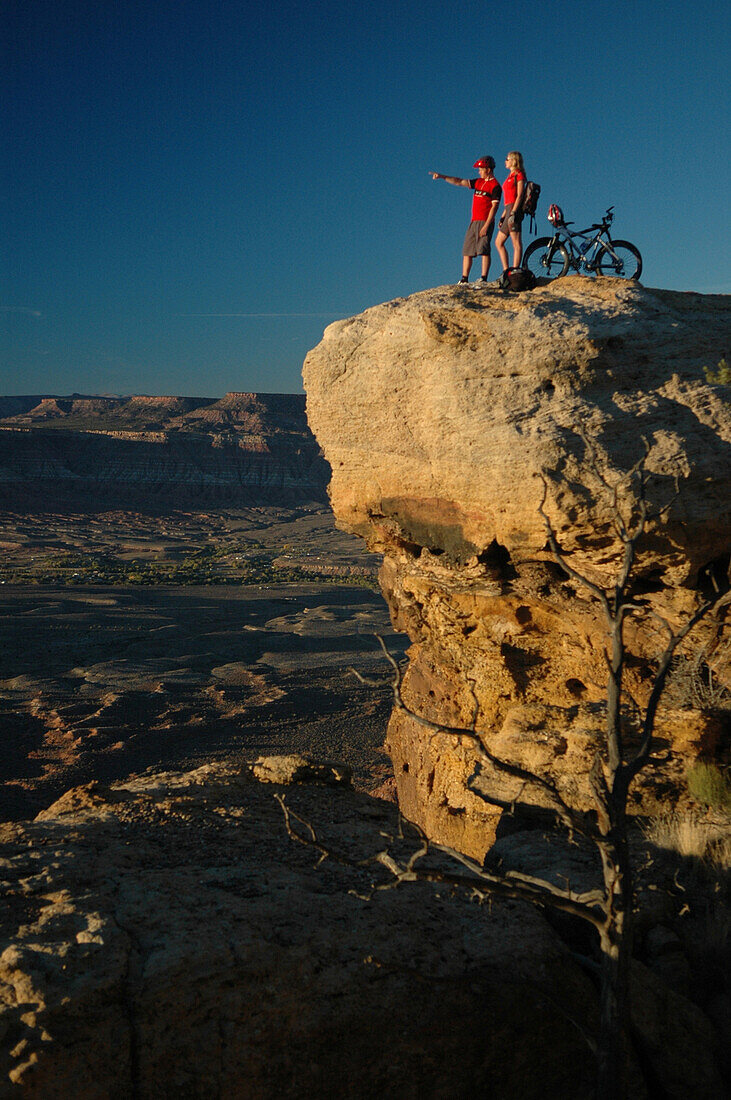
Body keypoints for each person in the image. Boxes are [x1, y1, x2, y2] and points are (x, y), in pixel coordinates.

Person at [430, 157, 502, 284]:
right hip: (474, 221)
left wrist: (486, 225)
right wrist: (442, 176)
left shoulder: (495, 186)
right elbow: (459, 181)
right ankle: (464, 278)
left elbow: (494, 207)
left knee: (483, 250)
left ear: (488, 170)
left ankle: (483, 278)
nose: (479, 171)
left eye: (481, 169)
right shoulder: (478, 182)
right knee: (467, 250)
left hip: (485, 221)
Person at [495, 151, 527, 272]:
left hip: (515, 209)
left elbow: (519, 195)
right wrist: (503, 217)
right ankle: (506, 270)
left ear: (514, 161)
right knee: (498, 242)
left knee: (516, 242)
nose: (505, 161)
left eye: (507, 159)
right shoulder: (509, 176)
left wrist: (513, 213)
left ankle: (515, 269)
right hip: (508, 209)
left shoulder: (519, 175)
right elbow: (507, 201)